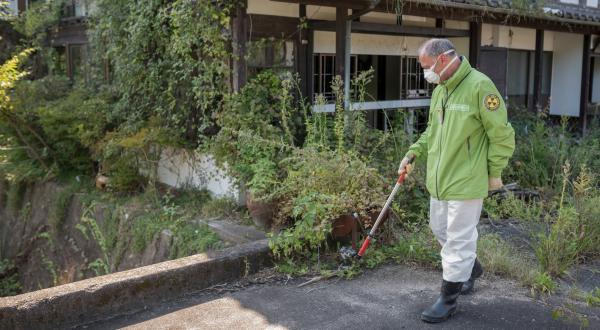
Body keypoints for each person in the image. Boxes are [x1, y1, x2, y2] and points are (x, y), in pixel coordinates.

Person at [398, 38, 515, 323]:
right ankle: (470, 269)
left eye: (426, 67)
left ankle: (448, 299)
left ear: (442, 60)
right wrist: (414, 152)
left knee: (458, 241)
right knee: (439, 229)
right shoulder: (441, 90)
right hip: (440, 180)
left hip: (467, 180)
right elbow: (431, 132)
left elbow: (502, 135)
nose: (426, 74)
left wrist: (494, 172)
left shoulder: (480, 86)